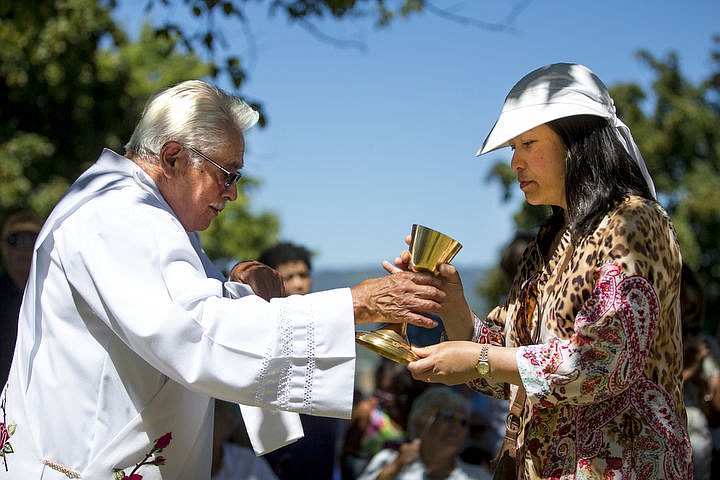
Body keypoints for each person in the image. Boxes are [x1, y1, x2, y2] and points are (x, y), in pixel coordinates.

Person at [0, 80, 449, 479]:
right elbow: (195, 331)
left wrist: (238, 287)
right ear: (174, 157)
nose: (233, 192)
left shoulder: (148, 214)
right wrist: (356, 304)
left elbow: (186, 305)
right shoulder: (118, 214)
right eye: (227, 173)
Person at [388, 63, 692, 478]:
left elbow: (602, 361)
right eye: (513, 147)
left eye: (528, 143)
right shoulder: (547, 241)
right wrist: (450, 303)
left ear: (577, 142)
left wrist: (479, 359)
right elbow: (505, 370)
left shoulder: (634, 222)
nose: (515, 162)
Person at [255, 241, 341, 479]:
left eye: (303, 274)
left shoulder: (327, 326)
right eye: (289, 276)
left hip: (320, 441)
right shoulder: (254, 326)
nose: (299, 283)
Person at [356, 386, 491, 480]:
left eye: (463, 421)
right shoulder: (388, 462)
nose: (456, 425)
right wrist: (394, 469)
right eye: (447, 416)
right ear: (419, 422)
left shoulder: (477, 476)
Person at [340, 358, 428, 480]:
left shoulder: (420, 416)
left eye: (390, 395)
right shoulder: (368, 411)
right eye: (380, 392)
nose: (382, 399)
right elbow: (347, 454)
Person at [0, 211, 43, 386]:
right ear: (3, 247)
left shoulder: (57, 295)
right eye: (14, 240)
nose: (24, 247)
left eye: (33, 238)